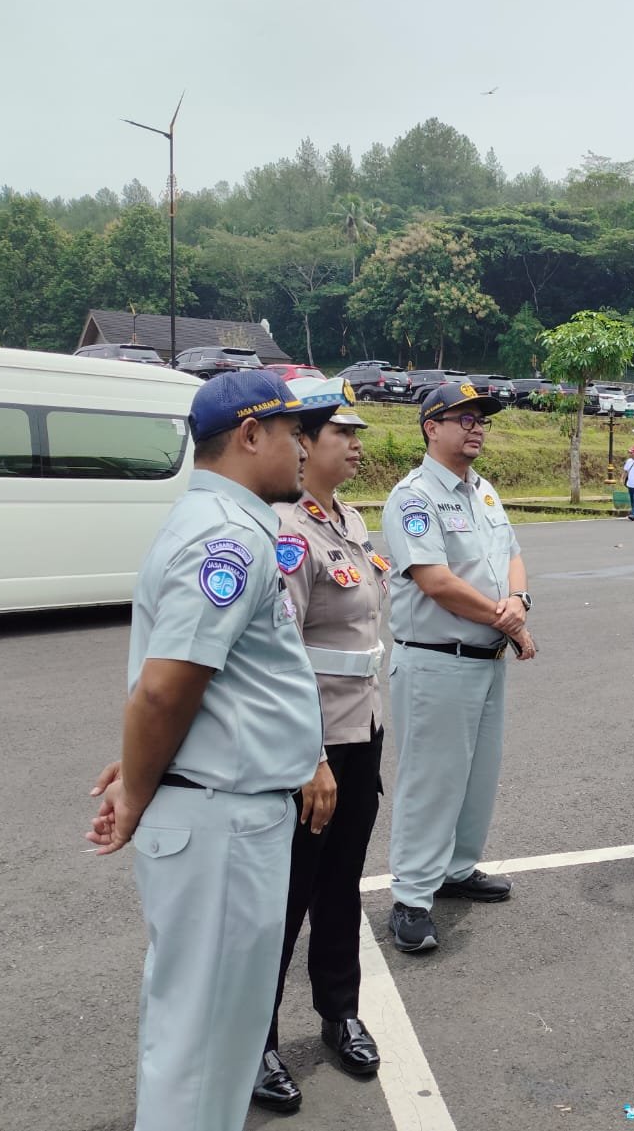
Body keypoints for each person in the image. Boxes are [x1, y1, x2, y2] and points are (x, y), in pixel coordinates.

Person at [84, 370, 337, 1131]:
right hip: (222, 823)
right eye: (294, 432)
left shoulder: (225, 524)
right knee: (204, 1046)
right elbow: (165, 688)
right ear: (251, 433)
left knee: (208, 1037)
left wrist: (139, 769)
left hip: (223, 810)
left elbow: (198, 687)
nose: (303, 448)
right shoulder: (226, 536)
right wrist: (134, 790)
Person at [252, 379, 387, 1114]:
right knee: (287, 898)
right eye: (344, 432)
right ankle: (256, 1039)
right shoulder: (286, 531)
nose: (357, 443)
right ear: (303, 443)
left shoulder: (350, 520)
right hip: (314, 749)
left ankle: (340, 1012)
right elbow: (281, 655)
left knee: (341, 889)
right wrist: (310, 758)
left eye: (357, 431)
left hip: (360, 733)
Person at [380, 382, 538, 953]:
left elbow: (513, 555)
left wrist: (519, 602)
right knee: (432, 781)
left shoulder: (483, 491)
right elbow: (436, 581)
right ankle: (412, 898)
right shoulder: (413, 497)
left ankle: (456, 870)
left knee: (477, 777)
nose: (476, 427)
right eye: (463, 418)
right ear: (431, 427)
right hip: (436, 661)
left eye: (481, 420)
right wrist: (512, 623)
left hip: (485, 658)